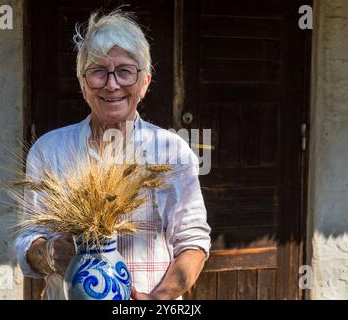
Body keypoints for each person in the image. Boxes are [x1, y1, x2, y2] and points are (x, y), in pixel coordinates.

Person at [15, 9, 211, 300]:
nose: (111, 84)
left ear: (144, 83)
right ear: (82, 84)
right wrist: (53, 253)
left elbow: (192, 242)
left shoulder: (173, 151)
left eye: (125, 71)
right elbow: (27, 244)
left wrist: (158, 299)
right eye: (97, 71)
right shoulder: (49, 150)